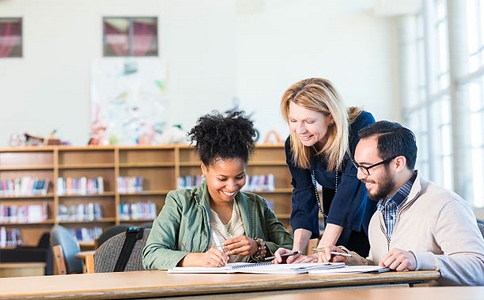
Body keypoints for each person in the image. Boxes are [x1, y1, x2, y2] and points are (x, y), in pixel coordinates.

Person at [322, 120, 484, 286]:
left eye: (366, 167)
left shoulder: (445, 205)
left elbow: (478, 269)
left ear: (398, 163)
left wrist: (418, 260)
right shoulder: (378, 216)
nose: (359, 176)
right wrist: (353, 261)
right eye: (358, 166)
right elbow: (385, 268)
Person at [142, 111, 293, 270]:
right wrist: (198, 259)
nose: (232, 186)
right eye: (222, 179)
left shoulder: (257, 205)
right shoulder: (180, 202)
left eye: (239, 176)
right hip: (200, 291)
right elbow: (151, 254)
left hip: (248, 290)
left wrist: (259, 247)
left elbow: (290, 248)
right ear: (204, 169)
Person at [275, 78, 376, 263]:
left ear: (331, 117)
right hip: (335, 208)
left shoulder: (360, 124)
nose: (300, 130)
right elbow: (302, 196)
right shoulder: (294, 144)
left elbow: (352, 186)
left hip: (369, 204)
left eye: (309, 121)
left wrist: (322, 250)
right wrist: (296, 251)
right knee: (333, 263)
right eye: (293, 120)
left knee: (367, 263)